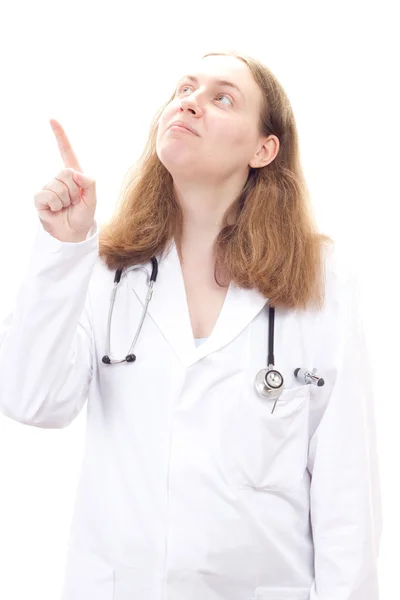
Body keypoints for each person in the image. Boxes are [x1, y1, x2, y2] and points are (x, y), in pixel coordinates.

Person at [0, 50, 382, 600]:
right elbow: (30, 399)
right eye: (183, 89)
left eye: (221, 97)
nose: (190, 103)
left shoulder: (320, 275)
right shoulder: (107, 266)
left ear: (263, 148)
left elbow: (347, 490)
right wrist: (64, 249)